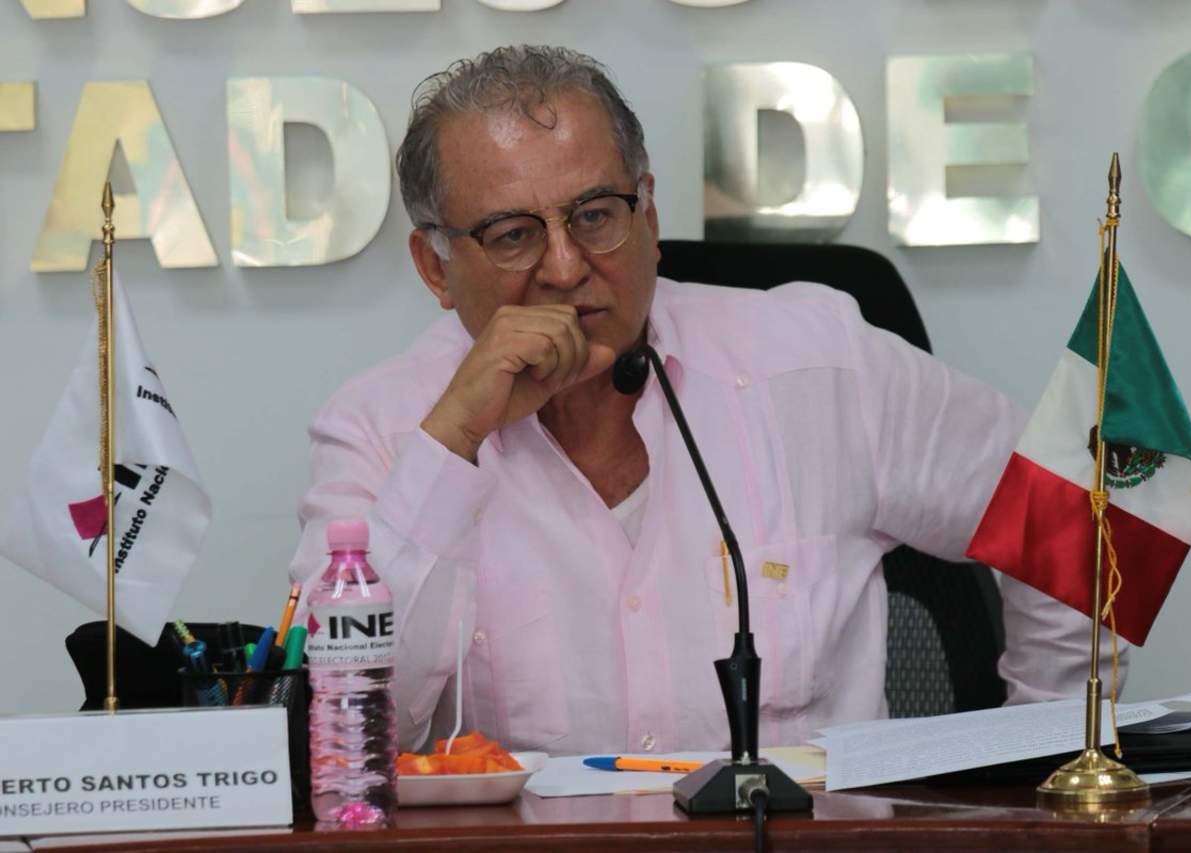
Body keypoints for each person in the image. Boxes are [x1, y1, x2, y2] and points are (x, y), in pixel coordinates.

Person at [290, 45, 1124, 755]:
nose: (566, 267)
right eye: (513, 234)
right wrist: (454, 437)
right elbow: (341, 737)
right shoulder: (380, 427)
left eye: (596, 215)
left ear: (648, 214)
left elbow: (1080, 513)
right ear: (435, 267)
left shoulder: (819, 363)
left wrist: (1039, 762)